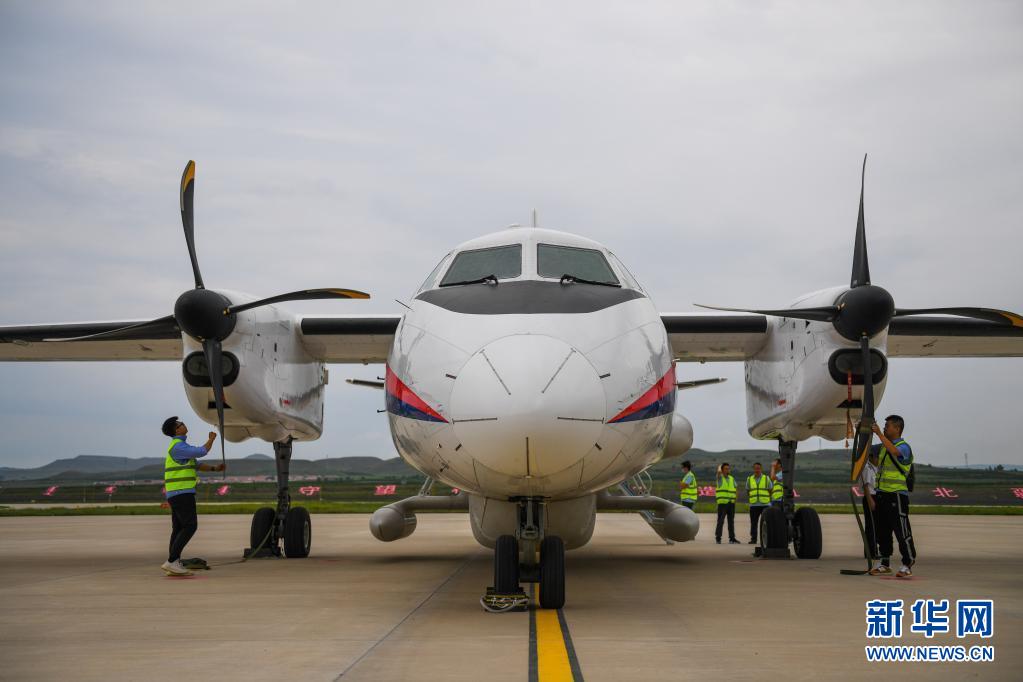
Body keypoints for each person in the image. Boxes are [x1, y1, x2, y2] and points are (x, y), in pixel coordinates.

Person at [160, 416, 224, 576]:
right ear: (176, 430)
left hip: (176, 493)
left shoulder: (180, 447)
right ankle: (172, 561)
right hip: (182, 493)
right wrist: (211, 439)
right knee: (190, 526)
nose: (184, 424)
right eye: (181, 424)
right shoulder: (178, 446)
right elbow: (201, 451)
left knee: (178, 528)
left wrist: (215, 469)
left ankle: (174, 563)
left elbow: (196, 464)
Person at [872, 415, 916, 578]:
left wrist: (878, 434)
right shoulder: (884, 446)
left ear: (897, 429)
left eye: (888, 426)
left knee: (901, 531)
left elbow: (895, 452)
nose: (884, 428)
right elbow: (876, 458)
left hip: (896, 495)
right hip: (882, 494)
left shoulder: (904, 447)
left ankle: (907, 563)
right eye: (884, 426)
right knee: (883, 531)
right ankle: (885, 562)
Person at [859, 449, 884, 574]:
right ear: (872, 457)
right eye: (878, 457)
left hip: (876, 496)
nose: (879, 459)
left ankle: (872, 550)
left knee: (875, 525)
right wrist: (870, 501)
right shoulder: (867, 468)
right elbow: (866, 486)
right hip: (870, 497)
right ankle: (871, 551)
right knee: (871, 526)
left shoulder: (875, 468)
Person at [745, 462, 771, 544]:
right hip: (754, 505)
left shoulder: (766, 478)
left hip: (765, 505)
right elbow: (748, 491)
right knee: (754, 523)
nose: (757, 470)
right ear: (753, 469)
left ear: (761, 469)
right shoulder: (749, 479)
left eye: (758, 468)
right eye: (755, 468)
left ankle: (767, 539)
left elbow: (770, 490)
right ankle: (753, 539)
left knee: (767, 523)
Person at [714, 462, 739, 544]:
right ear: (722, 470)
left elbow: (735, 488)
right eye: (726, 468)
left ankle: (732, 538)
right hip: (722, 503)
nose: (728, 470)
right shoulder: (720, 478)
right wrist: (719, 468)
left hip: (731, 503)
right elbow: (718, 473)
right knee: (720, 521)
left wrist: (735, 499)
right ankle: (718, 538)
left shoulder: (732, 478)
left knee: (731, 522)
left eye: (728, 468)